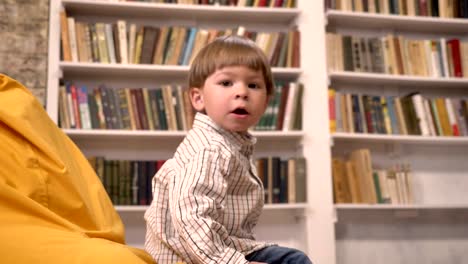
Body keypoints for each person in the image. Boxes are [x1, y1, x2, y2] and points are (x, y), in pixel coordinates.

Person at [144, 35, 313, 264]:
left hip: (221, 247)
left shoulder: (232, 145)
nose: (242, 92)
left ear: (265, 103)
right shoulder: (209, 149)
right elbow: (191, 217)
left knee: (291, 259)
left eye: (253, 85)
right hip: (187, 256)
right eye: (226, 83)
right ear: (198, 98)